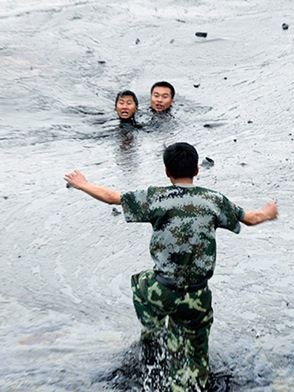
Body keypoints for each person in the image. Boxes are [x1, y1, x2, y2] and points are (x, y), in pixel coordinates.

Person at [63, 142, 277, 391]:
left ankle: (153, 336)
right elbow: (249, 219)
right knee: (195, 358)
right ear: (197, 170)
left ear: (167, 172)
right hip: (198, 296)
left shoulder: (157, 197)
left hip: (161, 290)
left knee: (140, 282)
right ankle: (189, 377)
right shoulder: (214, 200)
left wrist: (82, 184)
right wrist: (268, 213)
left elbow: (113, 198)